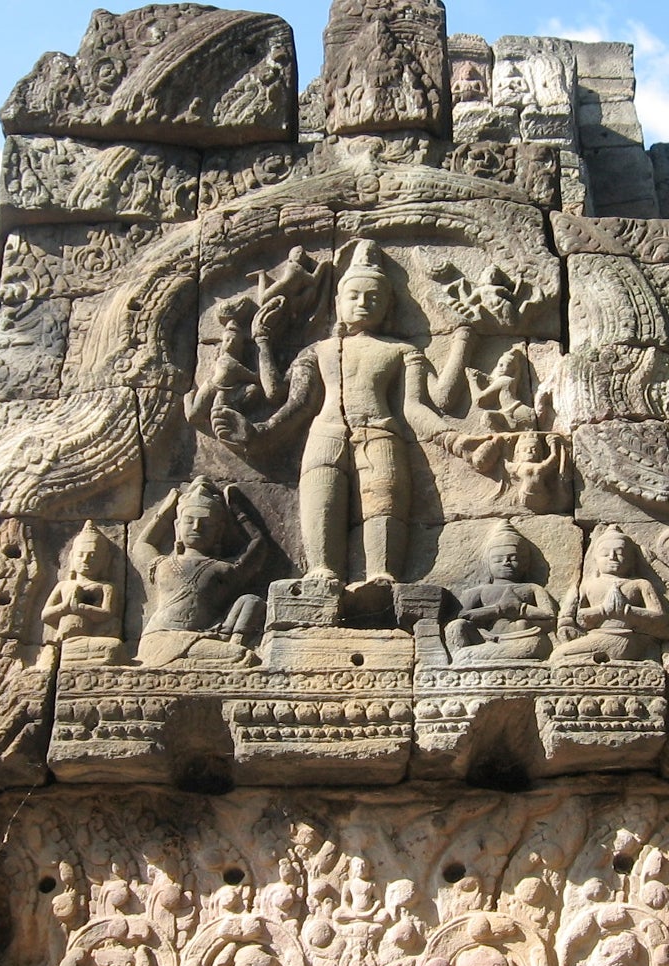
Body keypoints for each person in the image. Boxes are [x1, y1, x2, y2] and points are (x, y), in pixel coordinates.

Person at [211, 239, 447, 587]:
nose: (363, 303)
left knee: (383, 503)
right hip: (326, 433)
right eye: (354, 296)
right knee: (321, 498)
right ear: (338, 303)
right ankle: (323, 570)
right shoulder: (319, 350)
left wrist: (452, 438)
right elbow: (289, 400)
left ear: (388, 306)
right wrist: (257, 428)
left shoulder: (401, 351)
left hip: (380, 433)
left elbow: (414, 407)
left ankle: (382, 575)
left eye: (374, 298)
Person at [136, 477, 268, 668]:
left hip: (201, 636)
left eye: (206, 523)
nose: (197, 527)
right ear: (177, 527)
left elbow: (258, 545)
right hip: (158, 637)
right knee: (242, 658)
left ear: (219, 531)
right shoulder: (163, 564)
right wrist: (165, 511)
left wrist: (237, 511)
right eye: (189, 521)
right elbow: (142, 545)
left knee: (250, 602)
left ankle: (204, 654)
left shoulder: (222, 568)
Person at [444, 520, 558, 663]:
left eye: (513, 558)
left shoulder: (532, 588)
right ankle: (464, 656)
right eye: (498, 559)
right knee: (456, 626)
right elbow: (460, 615)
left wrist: (521, 610)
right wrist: (497, 610)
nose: (506, 562)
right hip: (484, 638)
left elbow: (550, 616)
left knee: (535, 644)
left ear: (525, 563)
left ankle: (469, 657)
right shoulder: (479, 591)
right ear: (488, 563)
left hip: (524, 638)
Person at [551, 526, 667, 663]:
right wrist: (603, 610)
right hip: (598, 635)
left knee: (558, 656)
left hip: (628, 638)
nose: (612, 557)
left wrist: (628, 611)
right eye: (605, 554)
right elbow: (581, 619)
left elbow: (660, 618)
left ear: (632, 559)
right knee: (559, 656)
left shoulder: (640, 584)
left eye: (620, 553)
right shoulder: (589, 585)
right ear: (596, 559)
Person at [42, 521, 122, 665]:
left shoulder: (106, 587)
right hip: (64, 637)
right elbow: (45, 615)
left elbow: (107, 613)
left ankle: (70, 657)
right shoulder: (63, 585)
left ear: (105, 560)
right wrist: (65, 607)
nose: (85, 560)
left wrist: (81, 608)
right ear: (72, 557)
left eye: (93, 556)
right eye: (80, 555)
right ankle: (64, 655)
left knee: (114, 647)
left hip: (90, 638)